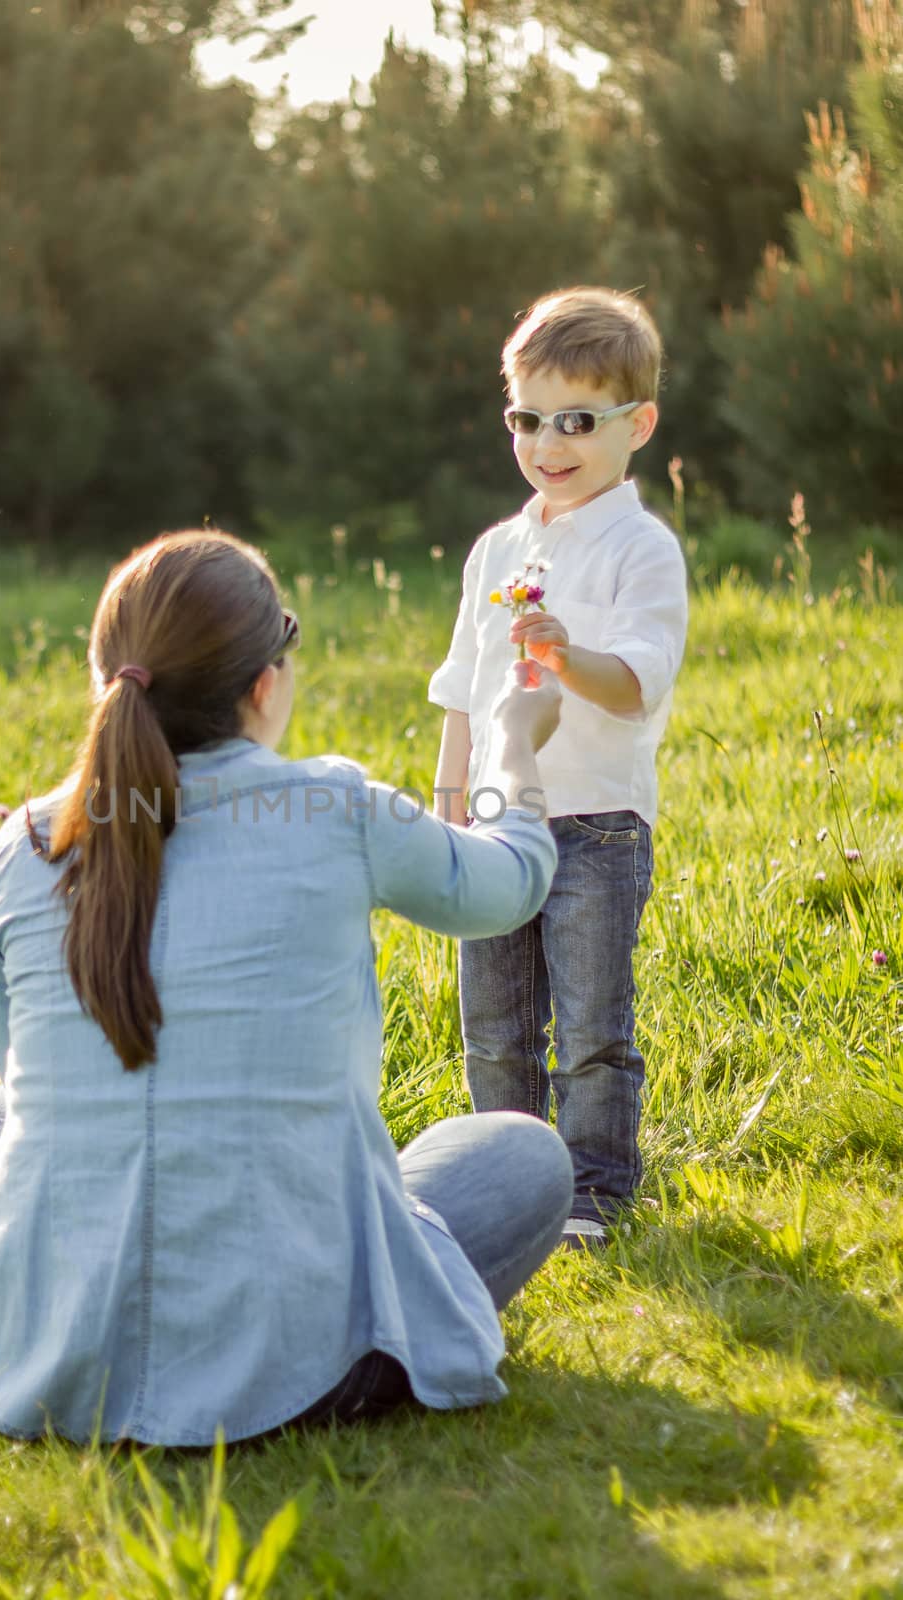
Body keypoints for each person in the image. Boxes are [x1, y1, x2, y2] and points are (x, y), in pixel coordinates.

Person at [0, 529, 573, 1446]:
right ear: (265, 683)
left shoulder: (25, 846)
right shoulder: (337, 807)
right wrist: (513, 751)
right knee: (523, 1156)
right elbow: (512, 881)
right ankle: (347, 1325)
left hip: (57, 1355)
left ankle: (43, 1317)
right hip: (299, 1353)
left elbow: (30, 1086)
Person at [430, 286, 688, 1252]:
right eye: (528, 419)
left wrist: (564, 654)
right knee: (495, 1027)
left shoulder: (641, 549)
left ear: (639, 425)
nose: (550, 442)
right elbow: (463, 690)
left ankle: (589, 1194)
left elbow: (633, 686)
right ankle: (501, 1180)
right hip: (499, 822)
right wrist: (451, 808)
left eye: (578, 420)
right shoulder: (498, 548)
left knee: (589, 1031)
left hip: (596, 825)